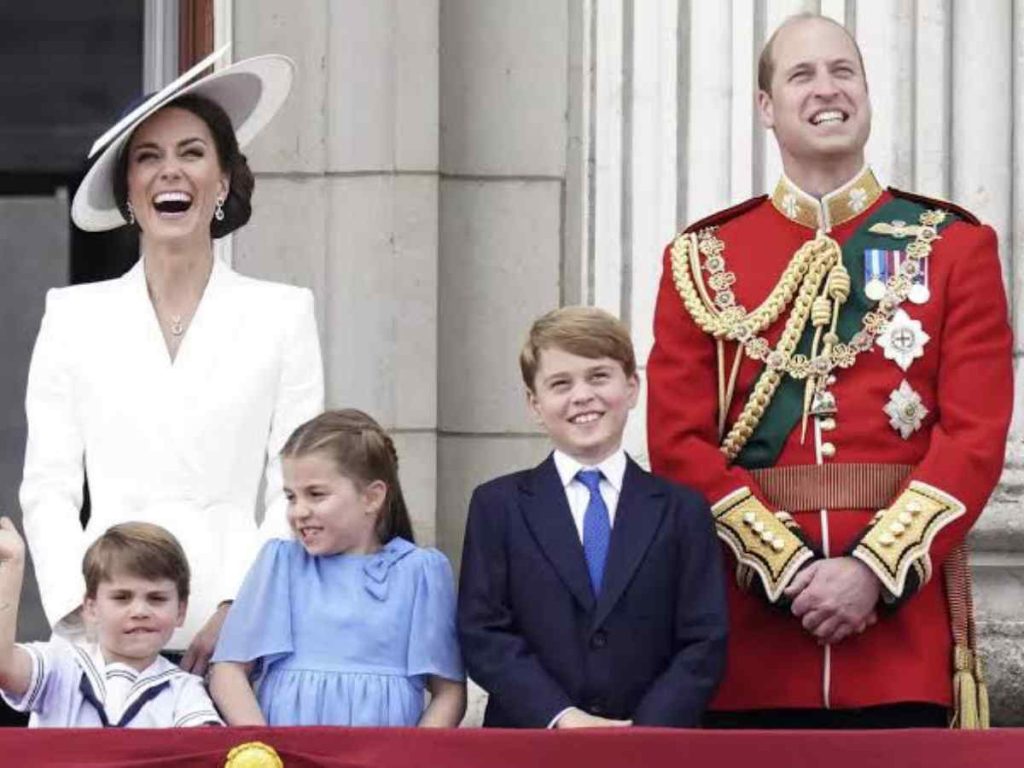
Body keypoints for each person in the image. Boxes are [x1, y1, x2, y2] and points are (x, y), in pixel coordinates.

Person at [647, 13, 1012, 729]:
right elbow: (677, 444)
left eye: (843, 71)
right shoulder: (702, 258)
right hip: (752, 648)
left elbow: (974, 439)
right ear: (765, 107)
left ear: (867, 93)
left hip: (898, 644)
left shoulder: (954, 247)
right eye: (802, 75)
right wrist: (789, 573)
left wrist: (872, 572)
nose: (827, 89)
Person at [19, 47, 324, 677]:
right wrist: (84, 612)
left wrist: (245, 606)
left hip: (239, 635)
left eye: (191, 153)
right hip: (102, 626)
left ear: (222, 181)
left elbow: (293, 486)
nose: (170, 172)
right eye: (148, 157)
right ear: (127, 191)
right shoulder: (73, 315)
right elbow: (48, 487)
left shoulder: (282, 313)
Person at [458, 307, 728, 729]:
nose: (582, 396)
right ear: (534, 403)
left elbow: (704, 639)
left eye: (598, 376)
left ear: (633, 387)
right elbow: (484, 633)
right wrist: (562, 718)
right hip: (530, 745)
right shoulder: (498, 506)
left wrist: (644, 732)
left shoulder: (682, 509)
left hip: (651, 749)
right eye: (560, 384)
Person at [209, 409, 466, 727]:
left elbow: (449, 691)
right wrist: (263, 746)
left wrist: (410, 758)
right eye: (291, 497)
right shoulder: (280, 565)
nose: (299, 511)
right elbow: (228, 670)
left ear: (372, 497)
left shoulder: (420, 572)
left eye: (316, 494)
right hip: (289, 757)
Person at [0, 518, 222, 728]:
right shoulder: (59, 665)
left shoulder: (185, 690)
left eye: (157, 599)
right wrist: (11, 564)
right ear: (91, 607)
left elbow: (203, 749)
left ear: (181, 611)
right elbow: (4, 667)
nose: (140, 611)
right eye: (122, 597)